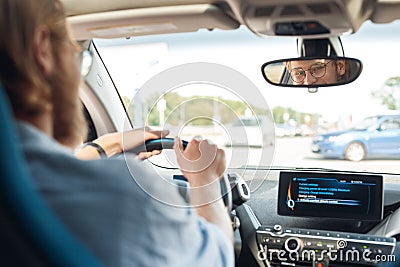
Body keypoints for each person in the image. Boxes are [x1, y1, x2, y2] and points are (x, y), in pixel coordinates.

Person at [0, 0, 234, 266]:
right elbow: (219, 256)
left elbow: (27, 172)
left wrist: (107, 145)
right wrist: (205, 178)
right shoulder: (122, 194)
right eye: (78, 57)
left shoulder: (20, 186)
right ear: (42, 51)